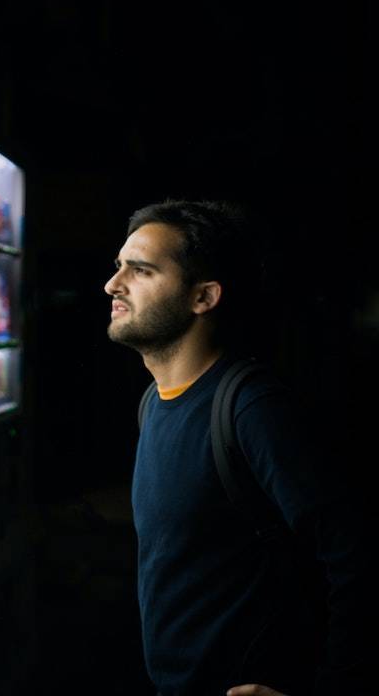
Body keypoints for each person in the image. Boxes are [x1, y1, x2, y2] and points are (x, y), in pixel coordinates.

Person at [104, 200, 371, 695]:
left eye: (140, 271)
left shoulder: (252, 408)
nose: (113, 285)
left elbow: (356, 557)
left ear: (203, 297)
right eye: (119, 266)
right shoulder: (154, 402)